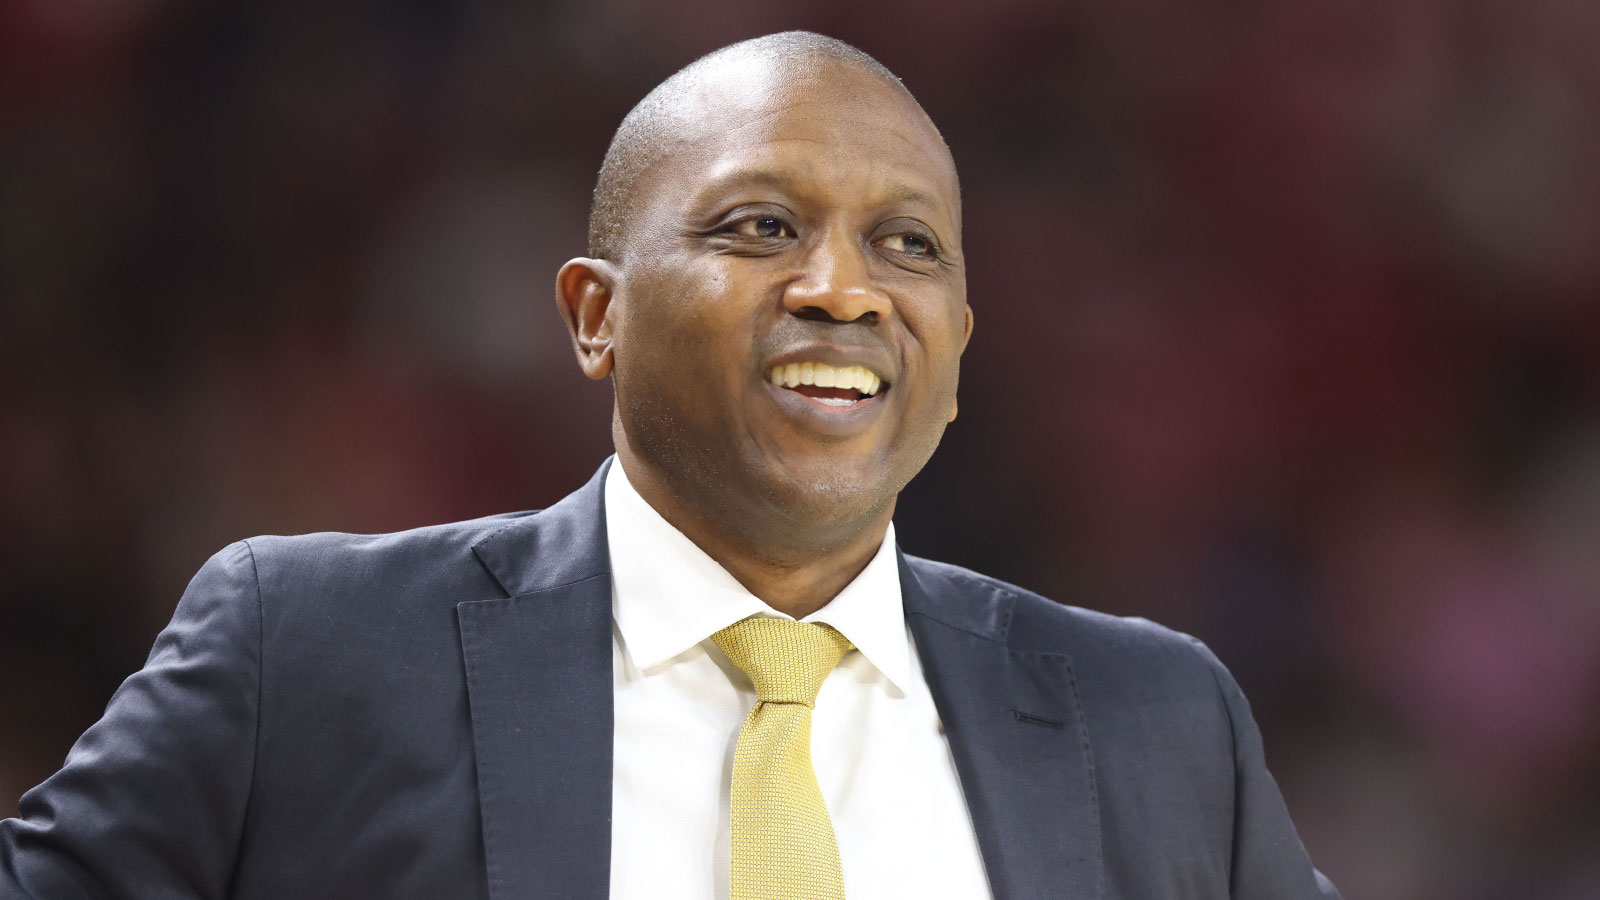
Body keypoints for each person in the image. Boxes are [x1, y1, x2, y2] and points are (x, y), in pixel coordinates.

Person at [0, 31, 1339, 900]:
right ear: (598, 315)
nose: (845, 289)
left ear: (958, 345)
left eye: (908, 245)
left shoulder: (1159, 724)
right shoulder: (302, 653)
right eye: (762, 224)